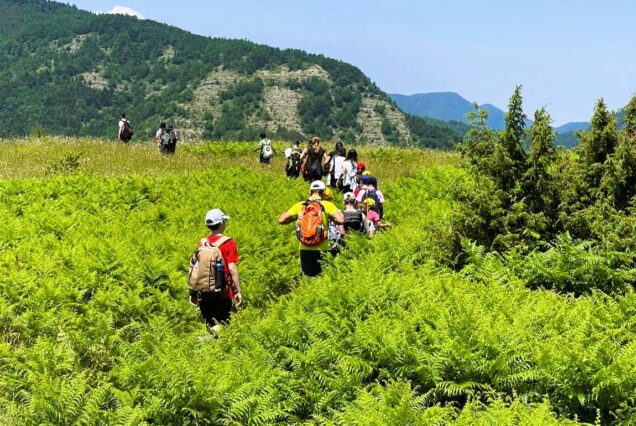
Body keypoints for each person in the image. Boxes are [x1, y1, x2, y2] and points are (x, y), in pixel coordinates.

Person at [188, 209, 243, 334]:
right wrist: (237, 292)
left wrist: (193, 293)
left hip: (204, 292)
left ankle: (210, 343)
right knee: (224, 325)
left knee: (210, 325)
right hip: (223, 292)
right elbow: (232, 269)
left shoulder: (203, 243)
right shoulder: (229, 243)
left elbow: (197, 268)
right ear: (222, 223)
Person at [278, 180, 344, 276]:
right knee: (324, 278)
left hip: (305, 248)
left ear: (310, 192)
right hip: (323, 247)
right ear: (324, 192)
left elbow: (281, 220)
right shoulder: (327, 205)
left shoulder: (301, 205)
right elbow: (341, 220)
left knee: (307, 278)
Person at [322, 187, 346, 256]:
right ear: (331, 198)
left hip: (319, 243)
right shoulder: (335, 211)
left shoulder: (315, 211)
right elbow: (342, 232)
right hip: (333, 243)